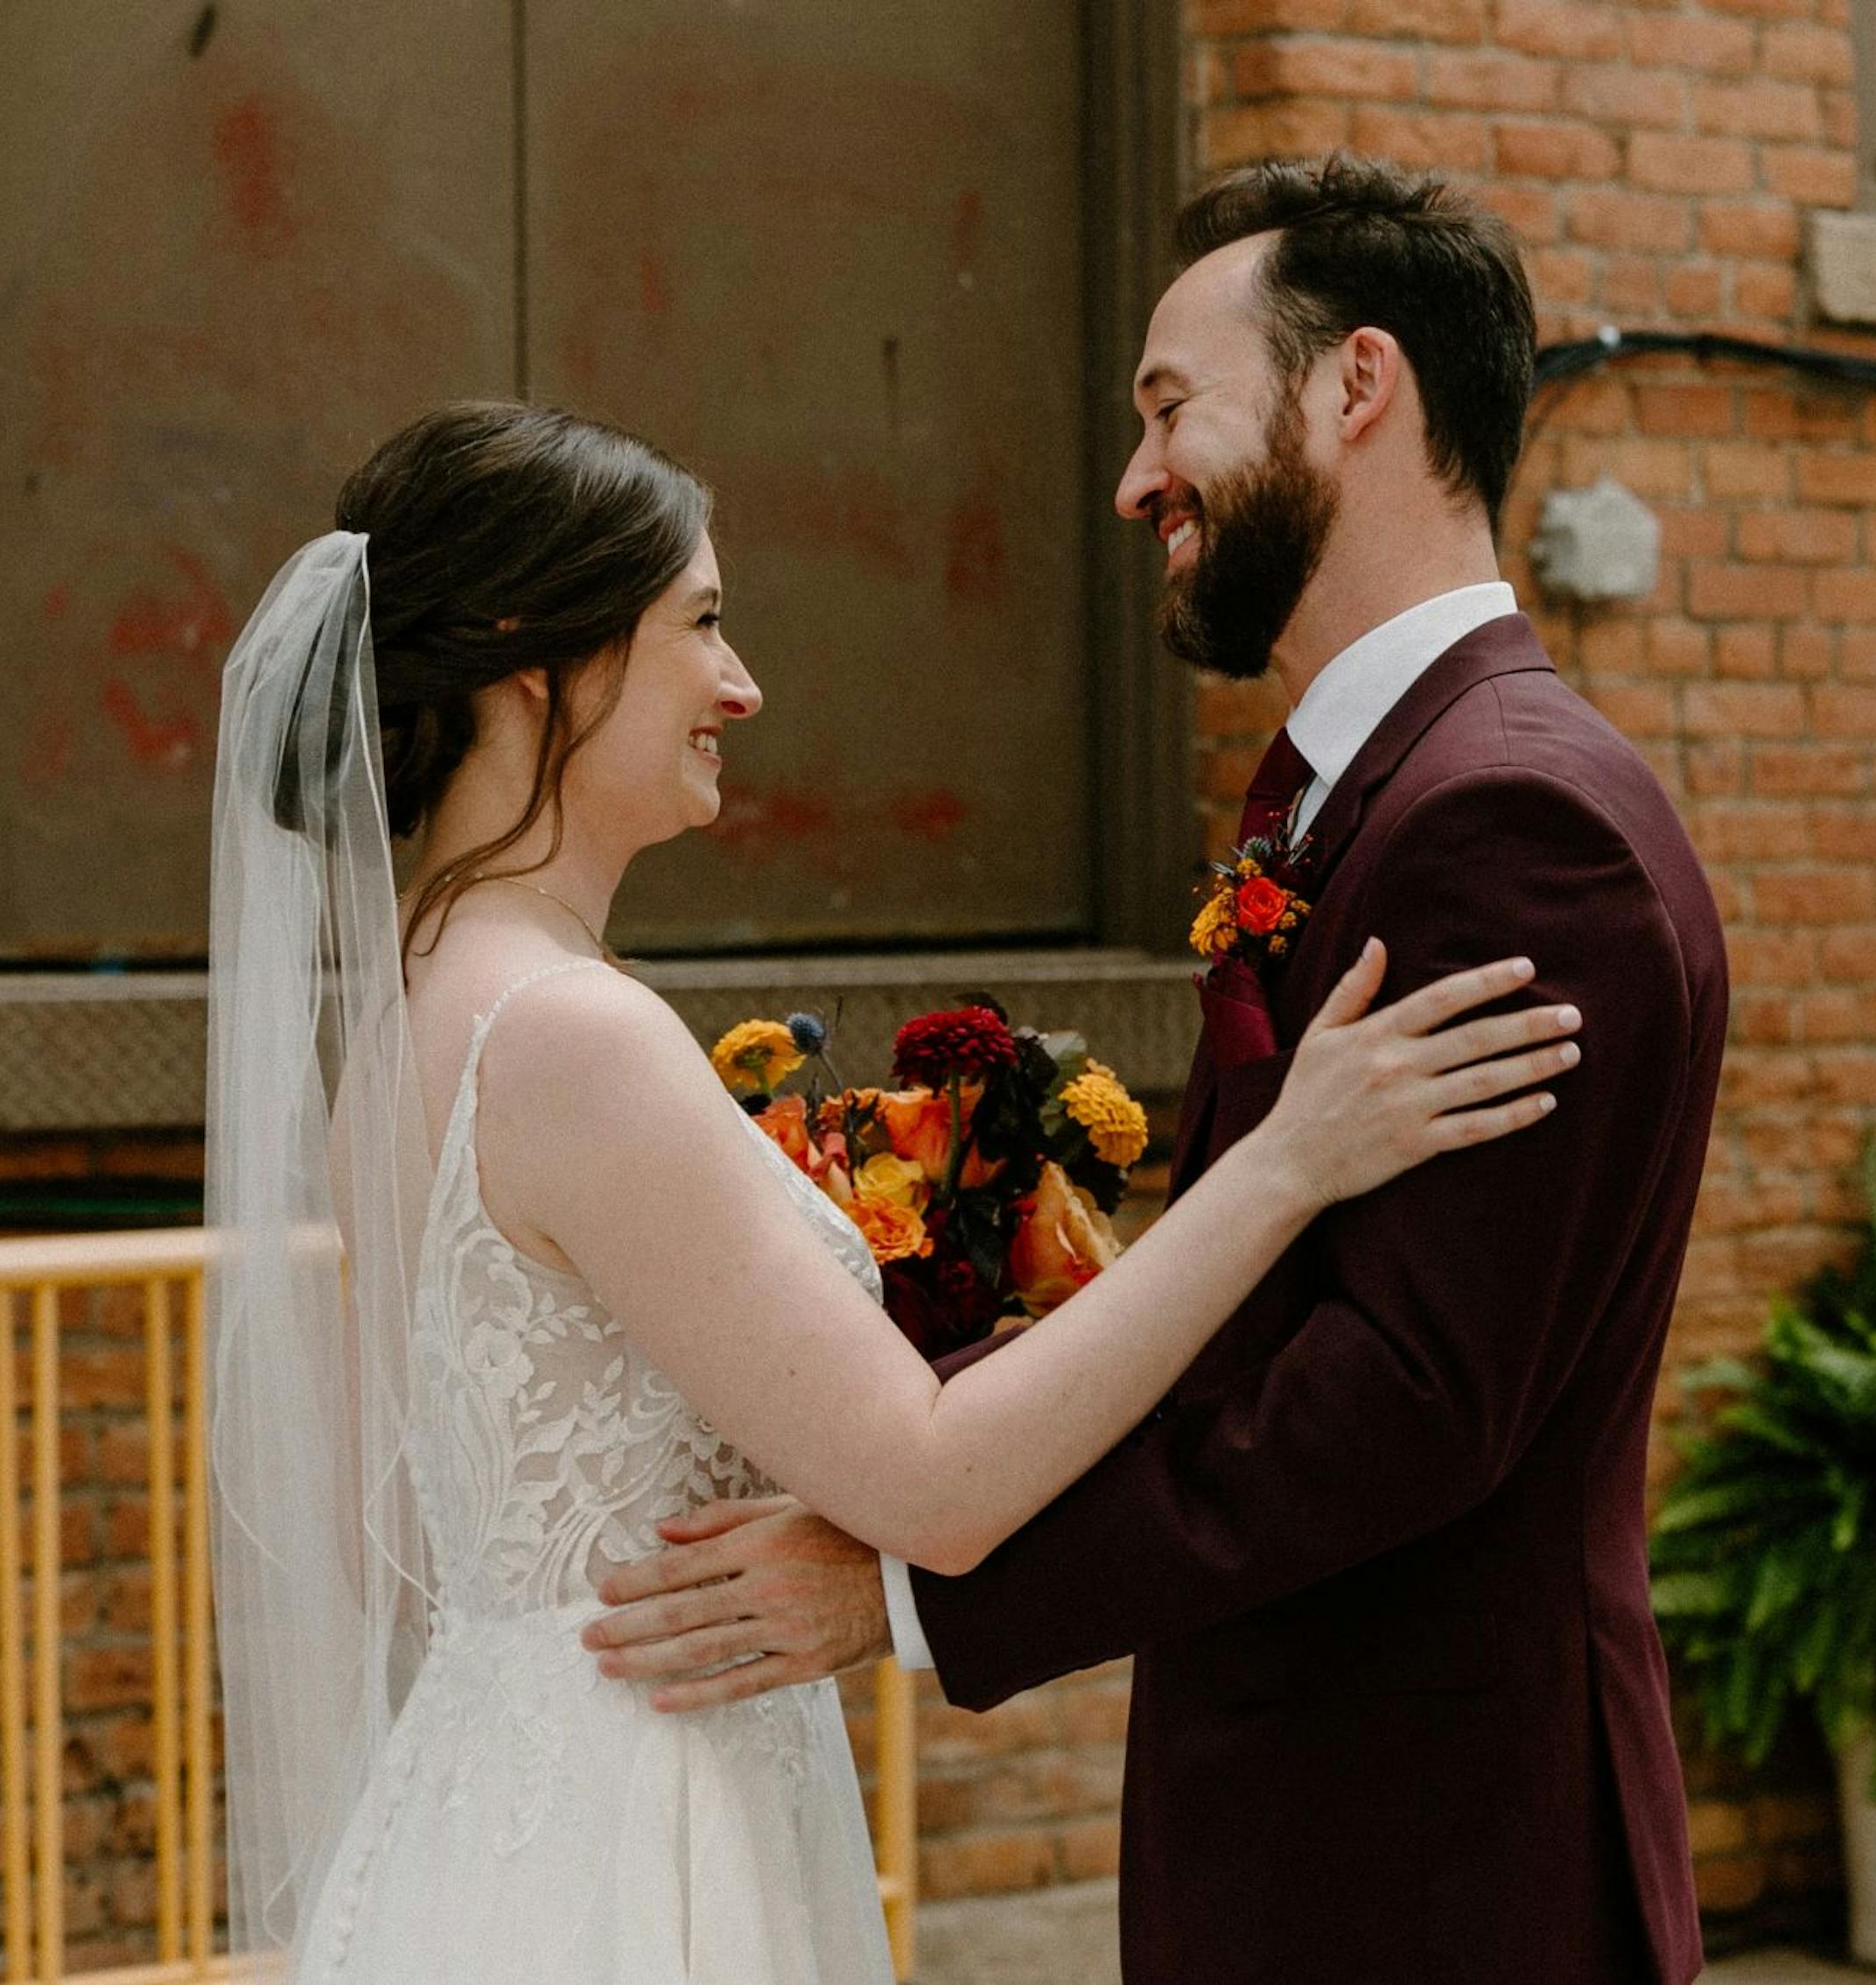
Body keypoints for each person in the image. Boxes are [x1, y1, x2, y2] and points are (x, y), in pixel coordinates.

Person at [202, 399, 1583, 1984]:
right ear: (539, 661)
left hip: (506, 1772)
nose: (743, 685)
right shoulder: (570, 1034)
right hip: (633, 1821)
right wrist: (1288, 1165)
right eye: (699, 626)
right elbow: (932, 1483)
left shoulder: (414, 1011)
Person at [592, 155, 1729, 1984]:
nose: (1134, 483)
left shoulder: (1517, 820)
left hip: (1439, 1863)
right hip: (1323, 1826)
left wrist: (906, 1591)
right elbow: (1257, 1305)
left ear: (1355, 386)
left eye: (1166, 408)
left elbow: (1403, 1397)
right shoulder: (1367, 788)